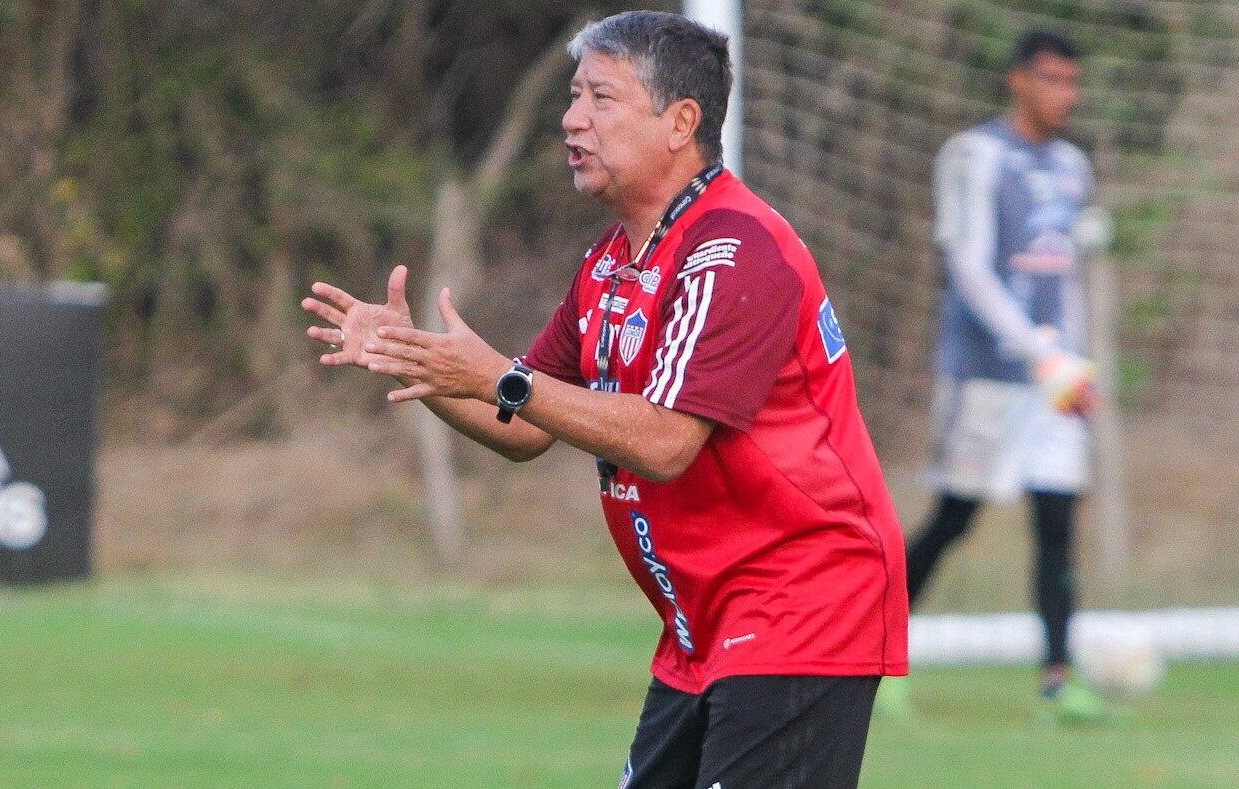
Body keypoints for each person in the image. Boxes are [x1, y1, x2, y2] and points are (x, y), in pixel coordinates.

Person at [301, 11, 908, 786]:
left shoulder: (735, 252)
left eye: (600, 98)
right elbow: (519, 423)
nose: (571, 118)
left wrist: (497, 376)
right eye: (572, 95)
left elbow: (662, 442)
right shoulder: (611, 263)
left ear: (679, 122)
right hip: (703, 622)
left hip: (802, 601)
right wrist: (414, 359)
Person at [898, 28, 1104, 721]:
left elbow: (1065, 271)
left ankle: (1058, 677)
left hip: (1050, 382)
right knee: (953, 518)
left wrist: (1068, 362)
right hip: (984, 373)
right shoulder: (975, 155)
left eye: (1072, 82)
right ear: (1018, 80)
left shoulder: (1073, 165)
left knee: (1056, 521)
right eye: (1052, 79)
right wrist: (1035, 348)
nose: (1064, 95)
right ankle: (872, 656)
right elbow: (969, 267)